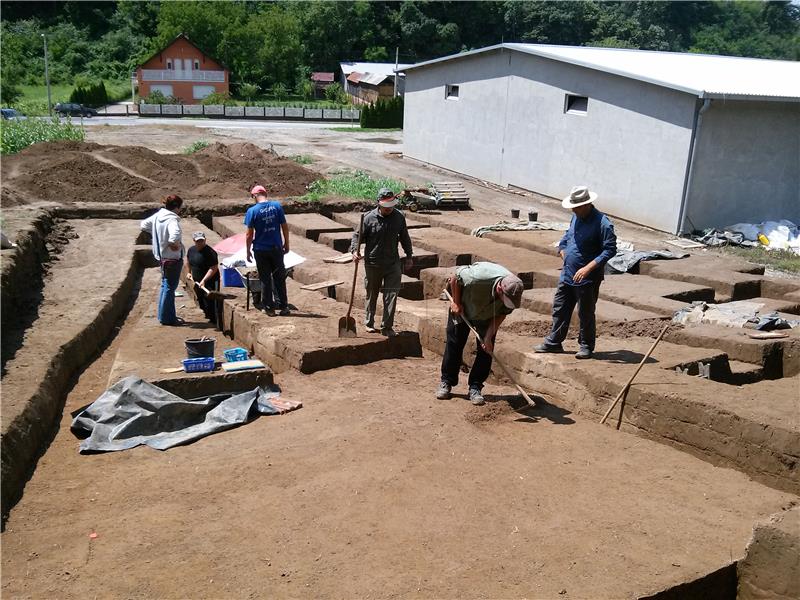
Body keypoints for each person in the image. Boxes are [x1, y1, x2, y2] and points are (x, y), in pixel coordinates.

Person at [534, 185, 617, 359]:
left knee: (585, 312)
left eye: (576, 207)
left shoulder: (603, 223)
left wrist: (587, 268)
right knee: (560, 307)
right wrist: (562, 250)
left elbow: (609, 250)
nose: (573, 210)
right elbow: (567, 237)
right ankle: (554, 342)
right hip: (567, 273)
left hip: (587, 278)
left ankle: (586, 345)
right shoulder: (576, 218)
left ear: (587, 205)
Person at [437, 262, 524, 405]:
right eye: (505, 299)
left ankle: (475, 387)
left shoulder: (514, 292)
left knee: (486, 350)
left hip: (488, 315)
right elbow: (454, 278)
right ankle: (446, 381)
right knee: (455, 343)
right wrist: (457, 303)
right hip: (464, 308)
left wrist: (488, 337)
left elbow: (502, 313)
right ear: (499, 289)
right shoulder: (477, 278)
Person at [350, 187, 413, 337]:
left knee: (391, 294)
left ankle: (387, 326)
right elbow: (357, 237)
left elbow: (405, 237)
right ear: (379, 203)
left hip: (392, 263)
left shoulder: (399, 217)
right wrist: (354, 251)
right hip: (373, 263)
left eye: (391, 206)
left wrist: (409, 255)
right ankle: (369, 322)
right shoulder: (367, 218)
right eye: (386, 207)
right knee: (372, 293)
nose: (389, 209)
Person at [245, 184, 291, 316]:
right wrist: (286, 243)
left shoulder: (252, 211)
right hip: (276, 249)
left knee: (265, 279)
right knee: (279, 278)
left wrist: (248, 251)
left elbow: (249, 234)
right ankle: (284, 306)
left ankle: (269, 308)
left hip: (260, 250)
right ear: (265, 194)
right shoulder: (277, 206)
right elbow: (285, 227)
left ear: (254, 196)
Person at [140, 194, 185, 326]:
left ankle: (163, 315)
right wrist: (173, 244)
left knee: (165, 286)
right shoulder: (172, 220)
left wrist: (158, 234)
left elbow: (143, 225)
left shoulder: (158, 216)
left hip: (161, 257)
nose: (180, 210)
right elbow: (174, 236)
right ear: (176, 207)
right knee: (169, 288)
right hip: (172, 259)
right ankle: (167, 318)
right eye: (180, 207)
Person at [185, 231, 220, 324]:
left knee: (210, 302)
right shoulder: (191, 250)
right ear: (194, 241)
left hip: (210, 281)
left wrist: (204, 280)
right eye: (198, 241)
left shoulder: (210, 252)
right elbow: (188, 261)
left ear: (205, 240)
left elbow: (213, 268)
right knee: (200, 300)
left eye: (202, 240)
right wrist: (189, 272)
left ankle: (213, 320)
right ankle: (206, 315)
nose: (200, 243)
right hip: (197, 281)